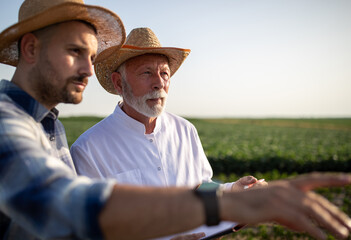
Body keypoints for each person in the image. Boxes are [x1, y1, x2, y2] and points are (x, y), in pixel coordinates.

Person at [1, 1, 351, 240]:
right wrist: (226, 206)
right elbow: (66, 206)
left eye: (91, 56)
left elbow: (198, 186)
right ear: (30, 49)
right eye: (75, 52)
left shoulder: (49, 126)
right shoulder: (9, 124)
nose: (90, 70)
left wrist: (230, 191)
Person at [70, 27, 266, 239]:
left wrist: (231, 191)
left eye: (164, 73)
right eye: (146, 73)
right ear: (119, 83)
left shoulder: (185, 130)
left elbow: (200, 187)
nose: (159, 83)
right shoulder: (88, 149)